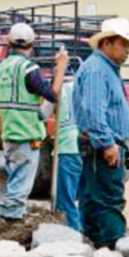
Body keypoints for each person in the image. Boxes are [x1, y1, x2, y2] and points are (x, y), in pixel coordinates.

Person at [74, 17, 129, 249]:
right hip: (102, 147)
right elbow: (94, 112)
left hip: (101, 144)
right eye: (124, 44)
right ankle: (113, 248)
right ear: (107, 43)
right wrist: (108, 143)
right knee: (108, 200)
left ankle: (97, 248)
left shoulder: (105, 69)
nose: (128, 51)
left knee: (93, 199)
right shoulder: (97, 71)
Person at [0, 22, 67, 221]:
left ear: (9, 43)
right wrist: (61, 67)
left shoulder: (2, 67)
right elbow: (52, 94)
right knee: (19, 187)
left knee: (14, 179)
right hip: (26, 134)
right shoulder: (28, 68)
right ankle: (11, 223)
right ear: (32, 44)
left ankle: (12, 218)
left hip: (9, 131)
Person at [54, 79, 82, 232]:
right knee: (83, 194)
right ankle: (83, 230)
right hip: (85, 144)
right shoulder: (85, 87)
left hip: (66, 146)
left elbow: (43, 114)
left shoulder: (60, 89)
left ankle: (72, 231)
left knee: (66, 197)